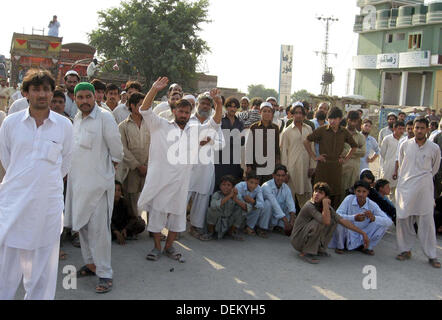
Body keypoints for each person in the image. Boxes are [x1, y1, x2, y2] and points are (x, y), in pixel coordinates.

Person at [0, 69, 73, 300]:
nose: (42, 94)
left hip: (47, 206)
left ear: (52, 93)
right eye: (36, 89)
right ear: (25, 93)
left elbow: (65, 165)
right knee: (6, 269)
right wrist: (26, 181)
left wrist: (40, 182)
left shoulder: (64, 126)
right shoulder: (11, 123)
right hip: (14, 205)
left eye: (47, 90)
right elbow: (7, 160)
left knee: (42, 270)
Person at [138, 77, 223, 263]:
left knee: (177, 216)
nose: (183, 114)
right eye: (180, 111)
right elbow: (144, 109)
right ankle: (157, 247)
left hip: (182, 181)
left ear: (190, 113)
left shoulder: (195, 130)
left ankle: (169, 247)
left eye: (186, 112)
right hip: (161, 180)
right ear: (174, 111)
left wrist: (218, 103)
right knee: (158, 214)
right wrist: (153, 89)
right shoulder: (160, 125)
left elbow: (215, 123)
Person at [64, 82, 124, 294]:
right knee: (83, 227)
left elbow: (117, 150)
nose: (84, 101)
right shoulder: (77, 119)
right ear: (75, 99)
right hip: (79, 184)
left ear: (94, 97)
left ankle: (105, 273)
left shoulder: (105, 117)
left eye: (88, 97)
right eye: (80, 98)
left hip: (98, 186)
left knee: (99, 231)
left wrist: (108, 168)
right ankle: (91, 264)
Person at [395, 117, 441, 269]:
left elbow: (434, 169)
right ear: (413, 129)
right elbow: (402, 164)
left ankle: (431, 255)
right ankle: (405, 250)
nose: (419, 130)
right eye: (417, 128)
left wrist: (422, 178)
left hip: (424, 188)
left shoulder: (434, 148)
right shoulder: (405, 144)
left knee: (426, 221)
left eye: (422, 128)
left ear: (428, 129)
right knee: (403, 219)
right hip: (406, 187)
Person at [291, 183, 370, 264]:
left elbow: (342, 220)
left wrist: (362, 233)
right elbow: (326, 221)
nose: (316, 194)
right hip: (298, 239)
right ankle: (307, 252)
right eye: (315, 191)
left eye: (320, 193)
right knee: (320, 222)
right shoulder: (309, 206)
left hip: (304, 236)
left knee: (333, 220)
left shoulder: (325, 207)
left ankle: (319, 249)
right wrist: (325, 204)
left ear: (326, 197)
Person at [304, 107, 358, 209]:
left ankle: (332, 218)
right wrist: (314, 157)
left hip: (336, 167)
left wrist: (346, 159)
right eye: (330, 118)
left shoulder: (344, 132)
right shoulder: (322, 130)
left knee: (335, 194)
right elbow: (306, 141)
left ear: (340, 119)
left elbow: (354, 146)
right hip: (323, 166)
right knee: (319, 192)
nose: (332, 121)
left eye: (335, 118)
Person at [187, 93, 224, 239]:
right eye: (203, 103)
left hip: (205, 167)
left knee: (201, 198)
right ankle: (174, 228)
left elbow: (222, 144)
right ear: (197, 104)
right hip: (187, 165)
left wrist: (210, 141)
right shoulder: (187, 119)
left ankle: (195, 227)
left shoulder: (216, 122)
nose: (205, 106)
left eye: (208, 104)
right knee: (181, 196)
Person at [329, 181, 393, 256]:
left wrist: (374, 218)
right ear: (355, 191)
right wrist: (353, 218)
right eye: (358, 191)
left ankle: (367, 246)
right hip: (349, 232)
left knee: (382, 224)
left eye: (364, 192)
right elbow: (337, 215)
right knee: (340, 222)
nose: (361, 194)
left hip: (364, 232)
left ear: (368, 192)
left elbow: (389, 222)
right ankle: (340, 246)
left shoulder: (372, 205)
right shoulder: (349, 199)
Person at [117, 92, 150, 218]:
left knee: (150, 196)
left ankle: (153, 228)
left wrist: (147, 165)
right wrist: (137, 166)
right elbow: (123, 148)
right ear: (132, 105)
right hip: (131, 169)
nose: (143, 108)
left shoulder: (150, 124)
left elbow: (155, 145)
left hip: (149, 167)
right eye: (141, 105)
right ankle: (134, 226)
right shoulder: (123, 126)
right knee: (132, 197)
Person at [281, 103, 315, 208]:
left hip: (306, 167)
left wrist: (313, 166)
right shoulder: (287, 131)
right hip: (292, 168)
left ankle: (305, 220)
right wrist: (285, 172)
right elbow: (283, 152)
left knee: (307, 194)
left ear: (304, 115)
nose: (298, 115)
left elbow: (312, 147)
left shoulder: (308, 129)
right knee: (290, 195)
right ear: (292, 115)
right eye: (296, 113)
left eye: (300, 113)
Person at [200, 175, 246, 241]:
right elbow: (213, 205)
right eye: (223, 185)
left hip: (229, 221)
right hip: (217, 222)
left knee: (241, 210)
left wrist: (235, 199)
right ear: (220, 186)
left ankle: (231, 232)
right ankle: (210, 232)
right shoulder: (217, 194)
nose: (226, 187)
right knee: (212, 210)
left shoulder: (236, 195)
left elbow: (246, 208)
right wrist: (230, 196)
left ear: (232, 187)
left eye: (228, 185)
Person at [245, 102, 281, 184]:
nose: (267, 113)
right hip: (255, 165)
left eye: (269, 111)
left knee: (267, 187)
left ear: (272, 113)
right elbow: (249, 147)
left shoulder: (275, 128)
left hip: (270, 164)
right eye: (264, 111)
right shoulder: (254, 127)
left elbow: (276, 147)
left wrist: (277, 163)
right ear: (260, 112)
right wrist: (248, 165)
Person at [215, 97, 245, 190]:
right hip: (221, 158)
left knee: (233, 183)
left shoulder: (240, 123)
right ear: (226, 107)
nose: (233, 109)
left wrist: (230, 139)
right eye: (230, 106)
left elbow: (242, 141)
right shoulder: (220, 120)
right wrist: (234, 139)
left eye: (235, 107)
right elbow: (220, 139)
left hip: (234, 159)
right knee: (219, 182)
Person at [261, 165, 296, 235]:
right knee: (268, 204)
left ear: (286, 176)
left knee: (288, 206)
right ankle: (262, 228)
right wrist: (286, 221)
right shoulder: (266, 186)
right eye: (278, 175)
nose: (280, 178)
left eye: (283, 176)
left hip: (277, 216)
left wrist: (292, 222)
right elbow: (274, 204)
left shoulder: (286, 187)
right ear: (273, 175)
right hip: (265, 215)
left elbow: (291, 204)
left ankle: (280, 227)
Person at [111, 181, 146, 245]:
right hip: (112, 228)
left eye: (119, 190)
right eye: (114, 190)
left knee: (141, 224)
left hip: (123, 225)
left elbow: (133, 218)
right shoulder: (107, 204)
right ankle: (117, 235)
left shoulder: (124, 202)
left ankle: (124, 233)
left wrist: (126, 228)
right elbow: (105, 220)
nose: (117, 192)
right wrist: (115, 231)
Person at [341, 111, 366, 195]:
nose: (352, 123)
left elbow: (363, 152)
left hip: (354, 171)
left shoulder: (360, 136)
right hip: (342, 170)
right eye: (351, 121)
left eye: (355, 121)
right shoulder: (340, 133)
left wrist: (348, 150)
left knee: (352, 194)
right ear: (347, 120)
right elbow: (338, 151)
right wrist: (354, 150)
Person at [380, 121, 405, 202]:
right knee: (385, 188)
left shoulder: (404, 140)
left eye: (403, 129)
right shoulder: (387, 139)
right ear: (394, 128)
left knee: (397, 191)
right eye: (399, 128)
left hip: (400, 168)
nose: (401, 131)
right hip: (388, 167)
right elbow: (382, 153)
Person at [236, 171, 266, 237]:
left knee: (258, 207)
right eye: (251, 182)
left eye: (256, 183)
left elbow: (262, 204)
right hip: (238, 208)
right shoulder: (239, 186)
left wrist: (253, 201)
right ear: (246, 180)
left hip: (247, 208)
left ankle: (249, 227)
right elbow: (236, 200)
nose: (253, 185)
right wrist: (246, 203)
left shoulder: (258, 188)